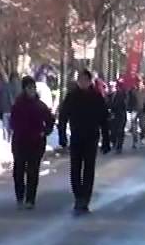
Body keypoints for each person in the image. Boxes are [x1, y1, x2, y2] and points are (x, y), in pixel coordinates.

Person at [57, 69, 112, 213]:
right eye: (80, 80)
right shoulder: (72, 96)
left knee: (88, 169)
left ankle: (85, 198)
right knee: (75, 168)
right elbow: (63, 117)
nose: (83, 83)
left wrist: (106, 140)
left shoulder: (96, 97)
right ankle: (78, 196)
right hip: (76, 136)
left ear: (90, 81)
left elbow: (104, 120)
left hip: (91, 137)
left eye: (85, 80)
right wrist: (62, 135)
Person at [9, 76, 56, 209]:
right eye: (29, 88)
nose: (32, 90)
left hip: (36, 142)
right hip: (20, 141)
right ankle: (20, 195)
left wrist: (44, 132)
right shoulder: (18, 105)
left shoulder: (40, 105)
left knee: (33, 171)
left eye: (33, 88)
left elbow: (50, 121)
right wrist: (18, 129)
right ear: (24, 89)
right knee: (19, 170)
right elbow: (13, 122)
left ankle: (30, 198)